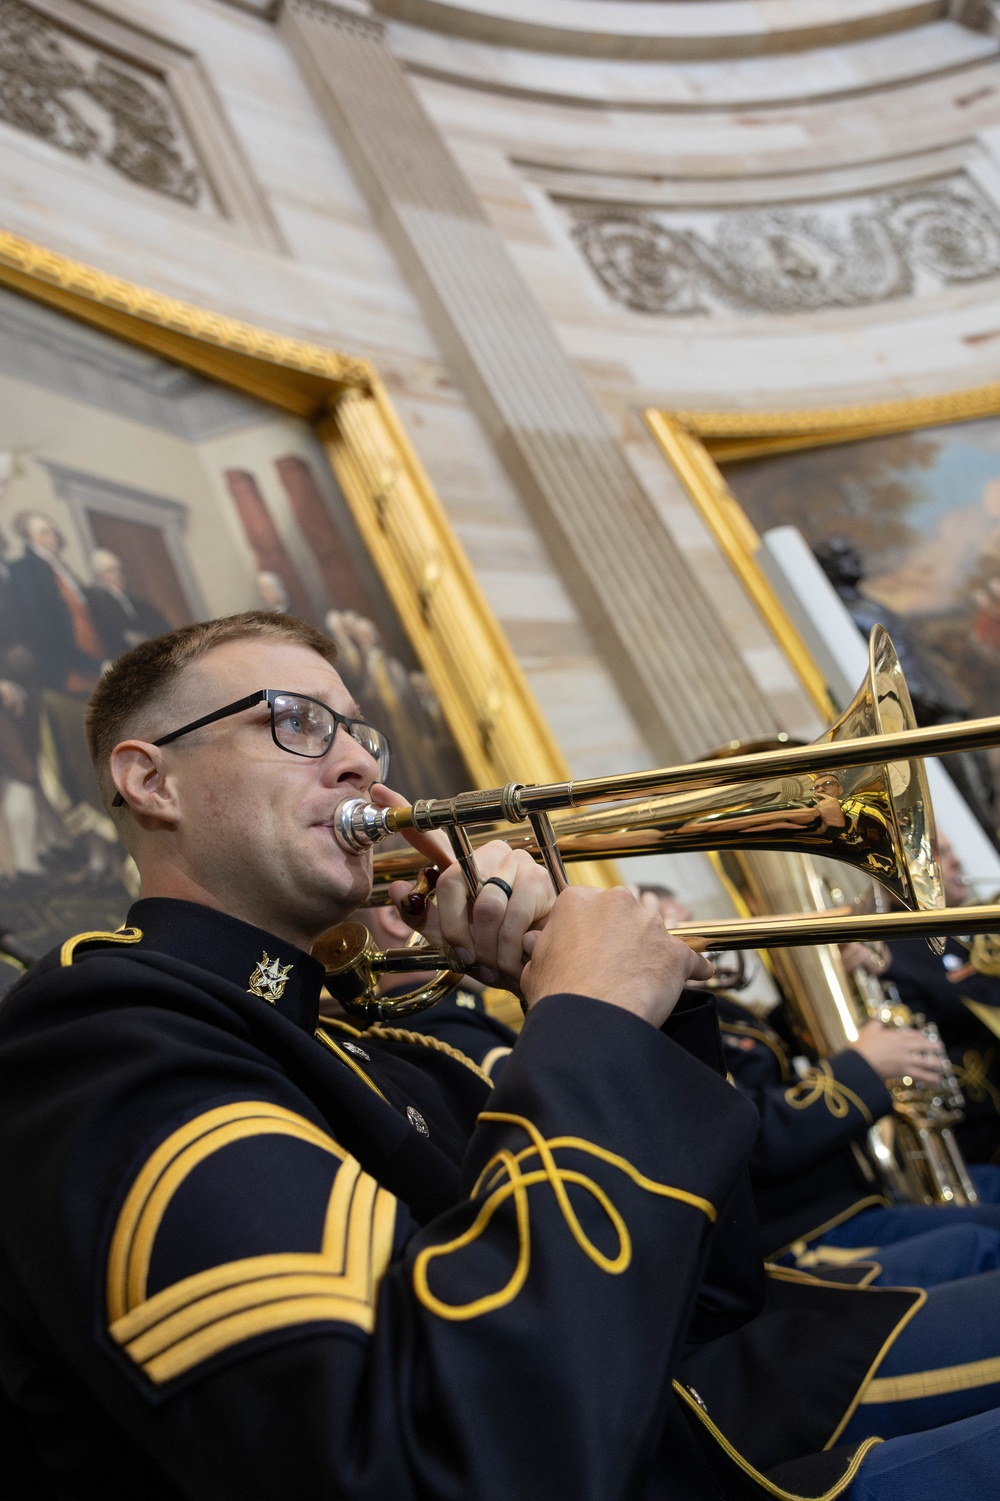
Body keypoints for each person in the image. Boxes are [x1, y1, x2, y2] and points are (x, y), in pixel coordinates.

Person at [5, 613, 1000, 1500]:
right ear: (149, 779)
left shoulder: (350, 1036)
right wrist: (586, 1020)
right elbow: (450, 1459)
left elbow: (708, 1283)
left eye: (359, 730)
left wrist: (631, 1018)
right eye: (296, 721)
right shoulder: (103, 1034)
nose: (361, 765)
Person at [637, 885, 1000, 1287]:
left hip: (849, 1191)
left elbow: (778, 1052)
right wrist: (862, 1065)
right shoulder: (657, 1028)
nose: (686, 916)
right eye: (665, 915)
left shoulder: (718, 1009)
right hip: (797, 1228)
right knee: (983, 1242)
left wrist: (847, 976)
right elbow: (749, 1137)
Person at [883, 839, 1000, 1163]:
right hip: (980, 1140)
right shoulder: (898, 952)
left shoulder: (963, 934)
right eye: (939, 852)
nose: (956, 862)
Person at [85, 549, 169, 660]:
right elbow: (115, 630)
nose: (119, 574)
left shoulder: (134, 600)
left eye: (118, 570)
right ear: (103, 574)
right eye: (113, 570)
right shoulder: (99, 601)